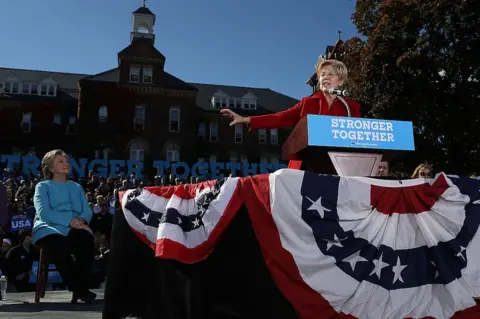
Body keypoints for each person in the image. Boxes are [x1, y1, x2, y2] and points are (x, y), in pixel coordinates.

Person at [221, 58, 361, 169]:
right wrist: (247, 119)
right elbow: (281, 118)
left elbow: (358, 137)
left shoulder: (350, 107)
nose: (325, 77)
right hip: (305, 165)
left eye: (331, 74)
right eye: (322, 74)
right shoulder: (308, 103)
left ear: (341, 81)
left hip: (338, 166)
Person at [32, 149, 96, 304]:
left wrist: (80, 219)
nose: (66, 163)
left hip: (76, 226)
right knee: (59, 244)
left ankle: (79, 287)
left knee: (86, 240)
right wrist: (70, 221)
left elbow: (86, 210)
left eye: (67, 160)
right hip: (48, 227)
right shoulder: (42, 186)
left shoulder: (76, 187)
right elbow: (44, 212)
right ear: (51, 168)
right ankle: (79, 289)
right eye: (60, 161)